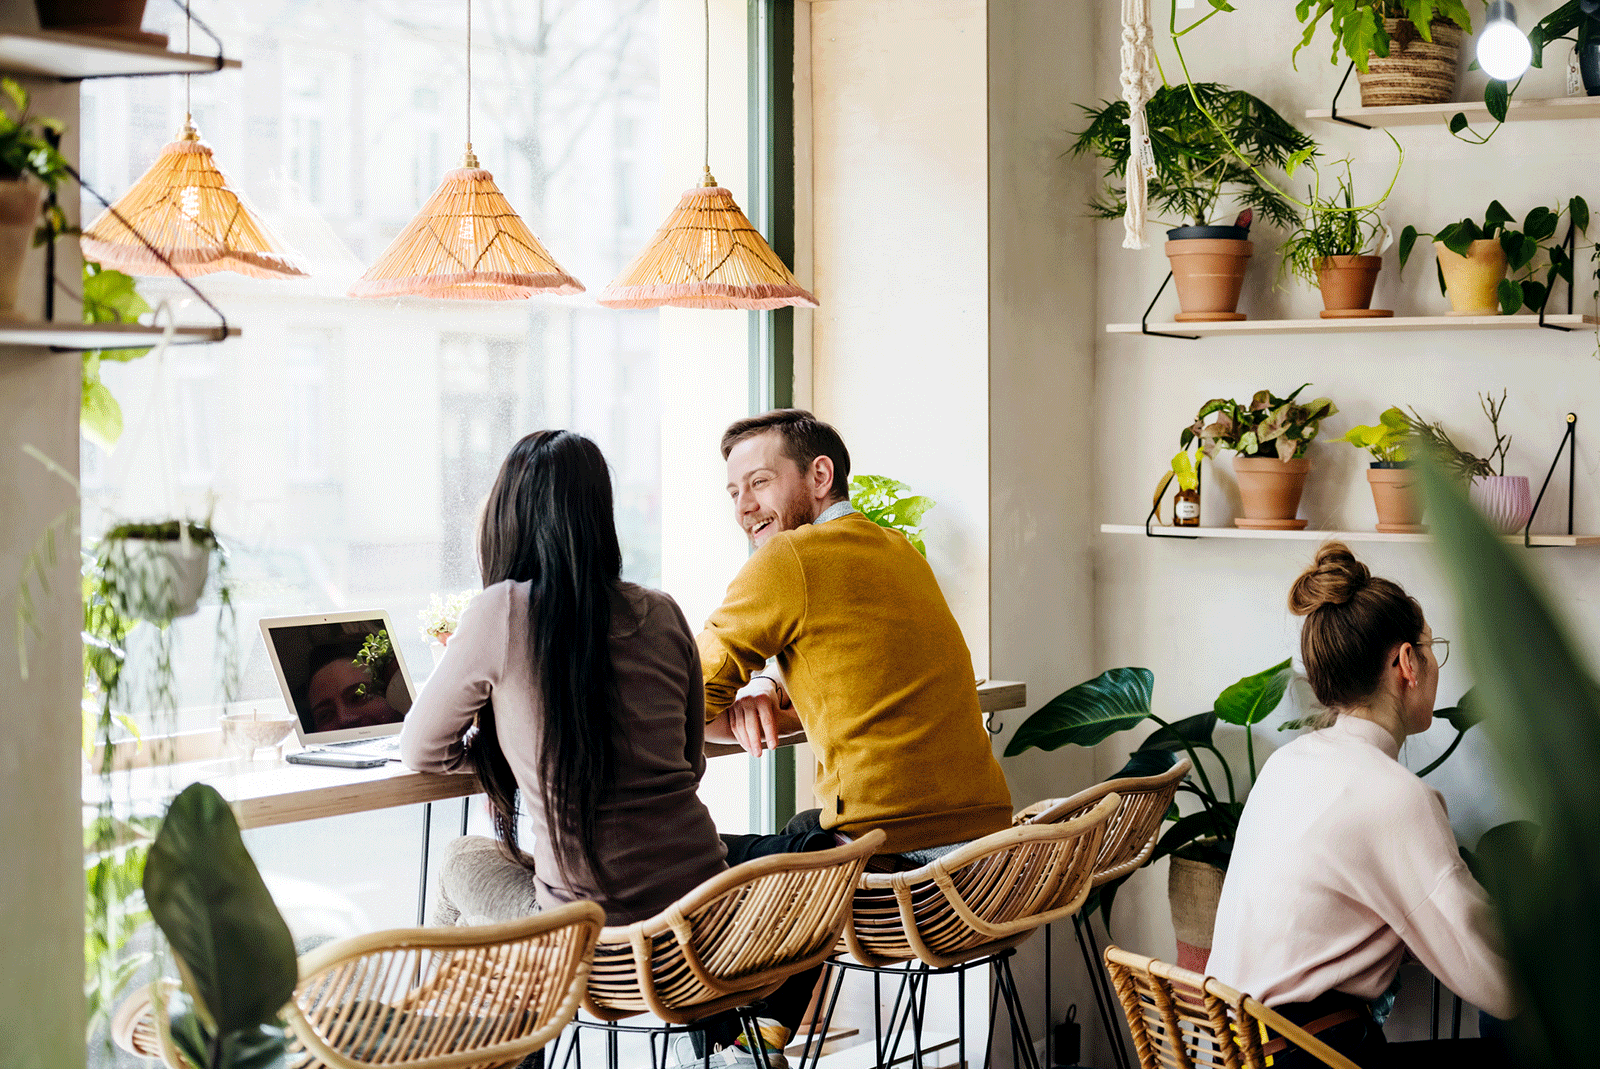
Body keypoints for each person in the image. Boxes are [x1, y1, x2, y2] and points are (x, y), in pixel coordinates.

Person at [689, 409, 1013, 1066]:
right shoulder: (898, 548)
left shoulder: (788, 558)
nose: (744, 507)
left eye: (757, 483)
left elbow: (682, 697)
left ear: (819, 474)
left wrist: (739, 692)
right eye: (733, 492)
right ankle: (764, 1033)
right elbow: (871, 664)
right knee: (808, 836)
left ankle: (738, 1043)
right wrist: (773, 691)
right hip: (991, 862)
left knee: (696, 862)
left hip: (900, 870)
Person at [400, 430, 729, 930]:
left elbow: (421, 749)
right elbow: (690, 761)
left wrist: (511, 758)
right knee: (530, 868)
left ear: (509, 517)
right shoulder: (662, 611)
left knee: (459, 859)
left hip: (596, 935)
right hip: (707, 918)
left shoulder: (503, 611)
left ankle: (460, 1011)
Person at [1206, 542, 1515, 1069]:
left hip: (1239, 1051)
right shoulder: (1395, 798)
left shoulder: (1288, 764)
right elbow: (1496, 977)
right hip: (1316, 1056)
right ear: (1406, 663)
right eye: (1431, 646)